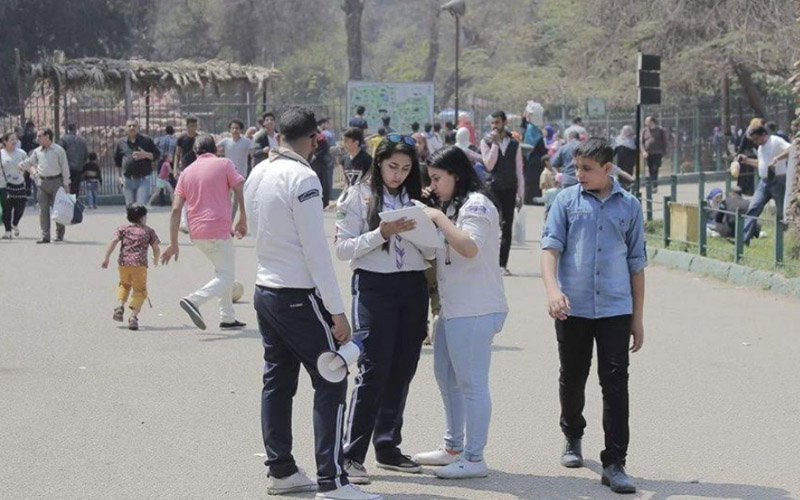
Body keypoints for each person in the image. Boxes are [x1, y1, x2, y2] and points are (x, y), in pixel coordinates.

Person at [243, 106, 381, 500]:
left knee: (278, 381)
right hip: (297, 293)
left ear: (278, 135)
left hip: (266, 288)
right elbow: (315, 250)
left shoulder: (259, 171)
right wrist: (337, 311)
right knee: (332, 376)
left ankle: (282, 469)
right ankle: (332, 481)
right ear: (314, 138)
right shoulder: (303, 177)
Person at [540, 137, 646, 494]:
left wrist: (637, 317)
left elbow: (636, 263)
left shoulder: (630, 206)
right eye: (576, 168)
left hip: (616, 308)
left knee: (615, 384)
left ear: (607, 169)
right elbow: (550, 250)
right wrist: (553, 291)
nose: (579, 174)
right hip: (573, 308)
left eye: (586, 169)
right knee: (572, 377)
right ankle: (572, 434)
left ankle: (615, 462)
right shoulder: (565, 201)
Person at [334, 134, 432, 484]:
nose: (398, 174)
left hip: (413, 286)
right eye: (392, 166)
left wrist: (425, 235)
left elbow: (431, 252)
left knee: (403, 367)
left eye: (405, 168)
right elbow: (343, 248)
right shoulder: (358, 196)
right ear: (378, 163)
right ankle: (350, 455)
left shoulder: (418, 200)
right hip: (374, 286)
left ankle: (388, 446)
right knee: (373, 368)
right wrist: (382, 233)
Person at [411, 146, 507, 479]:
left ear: (457, 175)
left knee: (472, 384)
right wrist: (432, 212)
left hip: (475, 308)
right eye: (430, 179)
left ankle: (475, 457)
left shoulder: (477, 205)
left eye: (437, 178)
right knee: (447, 378)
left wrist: (437, 217)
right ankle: (453, 446)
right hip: (452, 308)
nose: (433, 185)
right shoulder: (451, 205)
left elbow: (468, 246)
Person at [161, 135, 247, 331]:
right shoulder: (225, 164)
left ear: (195, 152)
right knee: (226, 276)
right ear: (215, 149)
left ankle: (227, 317)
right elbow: (239, 187)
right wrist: (243, 216)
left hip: (197, 233)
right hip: (218, 230)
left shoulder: (186, 172)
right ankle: (194, 300)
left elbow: (175, 210)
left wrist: (173, 243)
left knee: (222, 270)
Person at [101, 204, 160, 331]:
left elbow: (113, 241)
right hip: (140, 265)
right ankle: (133, 317)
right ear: (142, 218)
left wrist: (106, 258)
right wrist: (156, 259)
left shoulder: (123, 229)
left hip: (124, 263)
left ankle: (120, 306)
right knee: (140, 290)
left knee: (124, 285)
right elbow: (156, 247)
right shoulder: (148, 231)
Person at [480, 111, 525, 276]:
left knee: (506, 226)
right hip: (493, 187)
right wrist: (495, 145)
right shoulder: (486, 141)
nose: (494, 126)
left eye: (497, 122)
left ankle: (502, 264)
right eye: (492, 123)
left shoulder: (514, 143)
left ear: (504, 123)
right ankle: (488, 263)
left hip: (510, 187)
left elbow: (519, 170)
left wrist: (521, 194)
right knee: (491, 224)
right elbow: (489, 165)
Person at [737, 125, 791, 244]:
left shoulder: (776, 141)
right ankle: (743, 240)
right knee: (753, 208)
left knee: (782, 212)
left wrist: (777, 158)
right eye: (753, 140)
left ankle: (785, 239)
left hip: (779, 180)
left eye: (756, 139)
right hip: (764, 182)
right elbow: (761, 163)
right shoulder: (760, 148)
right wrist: (746, 160)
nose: (755, 142)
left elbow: (792, 149)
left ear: (763, 134)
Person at [18, 129, 70, 243]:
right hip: (42, 183)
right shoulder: (37, 151)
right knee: (43, 210)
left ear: (48, 136)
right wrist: (20, 165)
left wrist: (66, 184)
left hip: (56, 181)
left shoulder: (58, 150)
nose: (37, 138)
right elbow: (29, 162)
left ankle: (59, 234)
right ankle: (45, 236)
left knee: (58, 209)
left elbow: (65, 167)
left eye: (40, 136)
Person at [114, 119, 160, 206]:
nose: (132, 127)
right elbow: (117, 163)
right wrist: (118, 178)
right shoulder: (121, 143)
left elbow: (157, 155)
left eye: (134, 126)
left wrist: (146, 155)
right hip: (127, 180)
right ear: (126, 128)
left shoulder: (146, 140)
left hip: (143, 180)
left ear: (138, 128)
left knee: (140, 207)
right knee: (130, 207)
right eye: (129, 126)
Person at [219, 119, 255, 214]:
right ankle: (227, 219)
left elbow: (253, 155)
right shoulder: (225, 141)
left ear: (241, 130)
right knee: (226, 198)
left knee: (236, 201)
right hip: (227, 175)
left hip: (240, 175)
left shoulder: (247, 142)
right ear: (229, 130)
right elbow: (215, 148)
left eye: (237, 128)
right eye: (233, 128)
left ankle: (231, 220)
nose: (235, 130)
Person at [1, 132, 29, 238]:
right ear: (5, 142)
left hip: (19, 184)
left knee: (20, 207)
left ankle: (15, 223)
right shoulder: (1, 154)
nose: (14, 141)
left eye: (15, 139)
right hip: (4, 185)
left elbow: (29, 164)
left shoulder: (21, 153)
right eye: (12, 139)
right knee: (7, 208)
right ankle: (8, 231)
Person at [522, 101, 549, 204]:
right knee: (533, 181)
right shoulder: (531, 129)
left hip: (533, 161)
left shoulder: (533, 128)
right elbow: (534, 146)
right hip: (533, 161)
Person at [59, 124, 88, 198]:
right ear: (75, 129)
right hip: (78, 167)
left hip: (66, 167)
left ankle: (67, 200)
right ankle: (74, 200)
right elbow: (86, 155)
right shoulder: (82, 140)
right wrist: (81, 163)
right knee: (76, 186)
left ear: (68, 129)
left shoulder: (63, 139)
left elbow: (59, 153)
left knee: (66, 185)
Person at [312, 120, 335, 209]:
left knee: (322, 182)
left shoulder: (319, 135)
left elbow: (325, 147)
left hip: (320, 162)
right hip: (315, 163)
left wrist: (315, 155)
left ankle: (324, 202)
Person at [640, 116, 668, 192]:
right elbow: (641, 142)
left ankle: (654, 185)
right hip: (648, 153)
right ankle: (652, 184)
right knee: (650, 169)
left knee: (655, 168)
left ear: (652, 122)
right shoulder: (644, 131)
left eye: (647, 121)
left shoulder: (660, 130)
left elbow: (665, 141)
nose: (646, 123)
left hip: (657, 153)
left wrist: (664, 152)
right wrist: (643, 151)